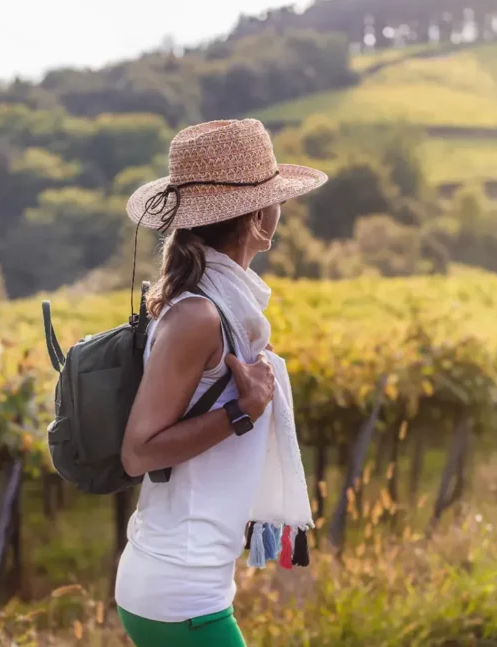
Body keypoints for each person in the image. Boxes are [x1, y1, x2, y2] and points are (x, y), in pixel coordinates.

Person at [114, 119, 328, 647]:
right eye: (275, 196)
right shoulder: (199, 316)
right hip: (177, 592)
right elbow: (138, 453)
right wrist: (241, 412)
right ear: (259, 214)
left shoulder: (229, 312)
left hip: (187, 582)